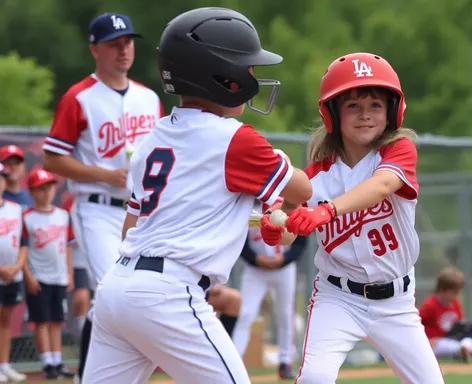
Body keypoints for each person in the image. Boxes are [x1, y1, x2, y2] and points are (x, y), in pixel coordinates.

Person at [81, 7, 312, 384]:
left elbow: (130, 229)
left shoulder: (152, 138)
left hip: (117, 289)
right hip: (169, 293)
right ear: (222, 75)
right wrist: (279, 160)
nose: (252, 75)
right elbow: (302, 189)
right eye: (247, 67)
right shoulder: (235, 138)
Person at [261, 52, 444, 384]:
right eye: (353, 106)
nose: (365, 115)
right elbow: (287, 227)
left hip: (396, 302)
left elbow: (382, 185)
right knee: (314, 379)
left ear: (391, 111)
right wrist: (278, 231)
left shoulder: (398, 151)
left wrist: (326, 211)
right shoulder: (314, 178)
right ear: (333, 114)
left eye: (375, 105)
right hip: (338, 297)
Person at [41, 12, 164, 381]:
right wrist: (104, 175)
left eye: (127, 42)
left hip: (143, 213)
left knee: (121, 297)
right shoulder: (78, 98)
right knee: (114, 290)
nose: (124, 50)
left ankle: (93, 375)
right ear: (95, 49)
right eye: (114, 44)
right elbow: (52, 159)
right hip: (97, 209)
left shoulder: (149, 98)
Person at [231, 199, 308, 379]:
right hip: (255, 270)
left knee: (285, 314)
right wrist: (255, 259)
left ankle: (285, 362)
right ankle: (234, 360)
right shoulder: (249, 206)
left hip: (284, 269)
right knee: (246, 313)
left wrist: (286, 260)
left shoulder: (288, 205)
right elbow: (240, 240)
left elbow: (300, 240)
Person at [20, 169, 76, 379]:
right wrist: (28, 276)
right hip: (38, 277)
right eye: (40, 188)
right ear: (32, 191)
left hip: (59, 277)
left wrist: (69, 274)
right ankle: (47, 364)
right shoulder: (27, 217)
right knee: (41, 321)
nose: (46, 192)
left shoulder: (62, 215)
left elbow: (68, 247)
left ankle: (57, 361)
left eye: (49, 187)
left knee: (56, 321)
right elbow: (23, 249)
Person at [0, 163, 27, 383]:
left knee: (5, 321)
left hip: (13, 275)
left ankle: (4, 365)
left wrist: (17, 267)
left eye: (1, 178)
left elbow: (24, 241)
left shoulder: (15, 208)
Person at [62, 199, 92, 340]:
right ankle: (82, 333)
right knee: (82, 296)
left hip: (99, 251)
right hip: (78, 255)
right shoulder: (71, 204)